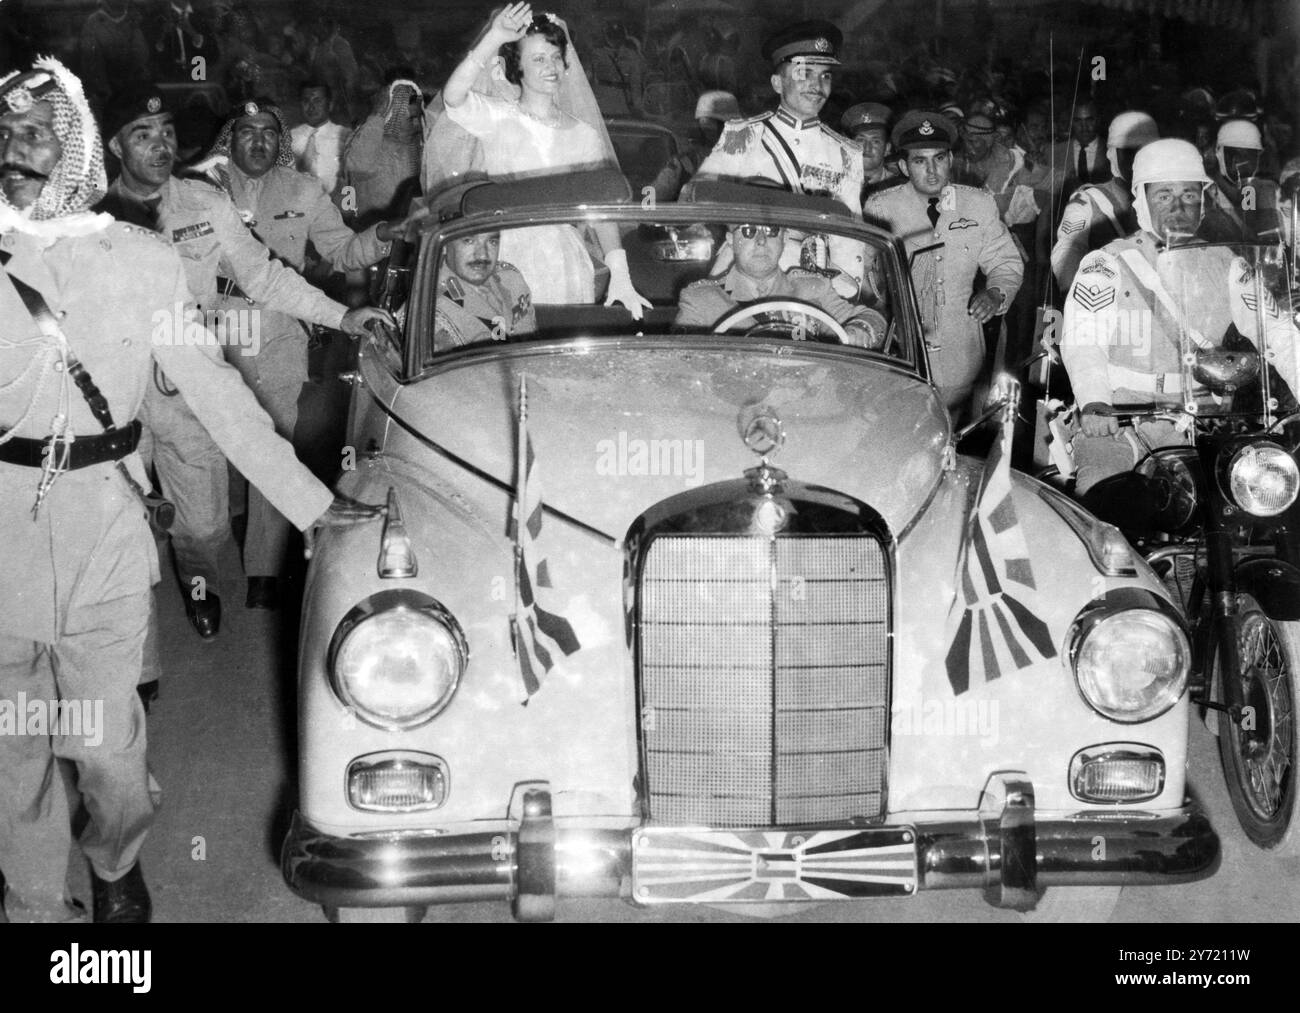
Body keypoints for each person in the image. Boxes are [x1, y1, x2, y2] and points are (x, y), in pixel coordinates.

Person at [0, 57, 376, 923]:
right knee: (15, 746)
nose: (18, 150)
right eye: (5, 134)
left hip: (101, 538)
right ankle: (32, 903)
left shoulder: (139, 262)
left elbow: (223, 401)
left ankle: (114, 852)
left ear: (77, 154)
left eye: (38, 135)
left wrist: (319, 508)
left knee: (108, 752)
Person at [98, 87, 393, 632]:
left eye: (166, 132)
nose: (160, 144)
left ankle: (196, 577)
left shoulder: (205, 204)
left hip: (188, 385)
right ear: (116, 145)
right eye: (143, 134)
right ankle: (136, 659)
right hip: (112, 394)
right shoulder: (87, 215)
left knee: (205, 527)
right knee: (116, 522)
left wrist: (340, 316)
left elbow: (263, 275)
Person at [198, 99, 421, 609]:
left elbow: (341, 251)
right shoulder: (205, 189)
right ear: (230, 139)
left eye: (269, 133)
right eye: (247, 131)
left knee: (276, 434)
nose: (258, 141)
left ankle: (263, 567)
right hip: (213, 325)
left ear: (281, 143)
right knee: (215, 445)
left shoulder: (302, 189)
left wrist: (384, 233)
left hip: (279, 328)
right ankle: (208, 556)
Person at [1060, 138, 1299, 494]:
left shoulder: (1228, 264)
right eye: (1163, 195)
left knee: (1253, 500)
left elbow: (1278, 331)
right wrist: (1094, 402)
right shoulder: (1106, 263)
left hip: (1200, 422)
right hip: (1121, 420)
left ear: (1202, 202)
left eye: (1189, 194)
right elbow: (1083, 340)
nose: (1178, 206)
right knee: (1104, 498)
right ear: (1141, 199)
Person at [429, 3, 649, 318]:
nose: (550, 67)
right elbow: (453, 97)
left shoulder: (584, 135)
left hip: (563, 260)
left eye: (556, 57)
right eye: (538, 59)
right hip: (506, 254)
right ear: (518, 68)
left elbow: (602, 208)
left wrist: (621, 274)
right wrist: (494, 37)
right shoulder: (497, 117)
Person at [864, 111, 1023, 421]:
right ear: (903, 166)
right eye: (920, 161)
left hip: (960, 351)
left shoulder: (978, 204)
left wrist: (995, 293)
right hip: (900, 352)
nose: (932, 171)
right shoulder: (881, 207)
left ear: (951, 158)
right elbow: (865, 277)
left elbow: (1005, 261)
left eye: (938, 158)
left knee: (953, 433)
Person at [692, 20, 863, 216]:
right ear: (777, 83)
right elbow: (700, 198)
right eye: (804, 73)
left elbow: (851, 236)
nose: (817, 86)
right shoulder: (743, 137)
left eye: (825, 76)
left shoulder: (845, 154)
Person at [675, 222, 885, 347]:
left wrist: (859, 330)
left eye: (772, 230)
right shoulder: (701, 299)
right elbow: (683, 365)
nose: (761, 240)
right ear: (730, 239)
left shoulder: (813, 288)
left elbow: (873, 319)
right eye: (748, 231)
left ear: (784, 238)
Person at [1051, 111, 1159, 291]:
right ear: (1113, 155)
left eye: (1145, 152)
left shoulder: (1166, 198)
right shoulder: (1088, 199)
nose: (1138, 161)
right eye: (1130, 153)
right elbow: (1068, 250)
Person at [340, 73, 423, 227]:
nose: (417, 123)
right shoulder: (369, 139)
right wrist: (378, 115)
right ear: (393, 115)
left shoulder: (418, 144)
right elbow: (357, 166)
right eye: (411, 118)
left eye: (418, 117)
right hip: (373, 230)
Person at [434, 231, 536, 350]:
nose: (482, 255)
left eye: (492, 242)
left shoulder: (511, 279)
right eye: (469, 241)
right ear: (444, 245)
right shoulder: (432, 309)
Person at [290, 80, 350, 197]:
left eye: (317, 101)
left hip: (337, 204)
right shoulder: (290, 137)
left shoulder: (345, 135)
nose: (311, 107)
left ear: (330, 105)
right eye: (306, 101)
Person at [841, 101, 902, 200]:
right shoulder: (835, 183)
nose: (867, 148)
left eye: (875, 141)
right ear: (849, 146)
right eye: (861, 140)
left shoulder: (900, 189)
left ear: (887, 149)